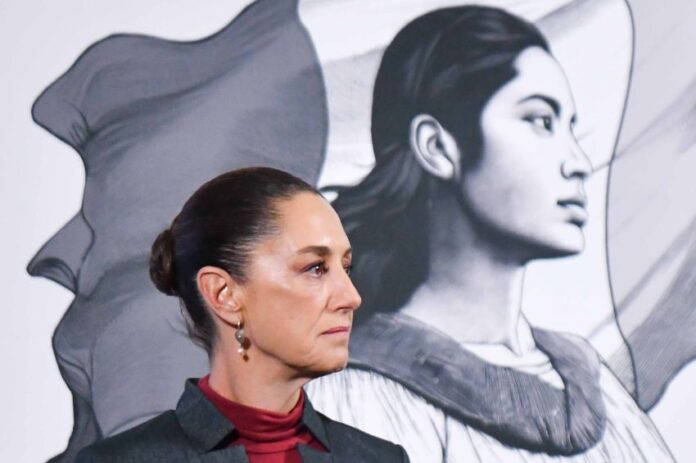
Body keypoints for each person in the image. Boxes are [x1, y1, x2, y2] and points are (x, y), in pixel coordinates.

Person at [306, 6, 675, 462]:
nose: (578, 161)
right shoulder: (356, 397)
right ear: (438, 148)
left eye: (569, 128)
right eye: (541, 121)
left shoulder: (592, 383)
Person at [75, 167, 410, 462]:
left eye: (346, 268)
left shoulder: (380, 459)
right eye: (315, 268)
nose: (351, 298)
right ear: (224, 295)